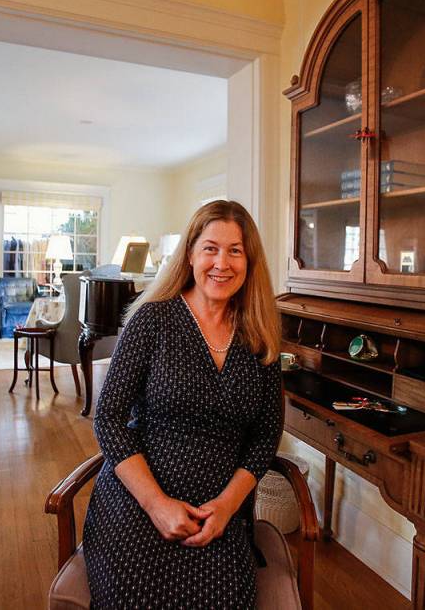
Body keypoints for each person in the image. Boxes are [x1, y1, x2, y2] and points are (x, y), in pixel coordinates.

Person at [82, 200, 283, 609]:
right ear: (190, 253)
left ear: (249, 261)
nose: (221, 263)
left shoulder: (259, 334)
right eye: (210, 248)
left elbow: (265, 434)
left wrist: (228, 507)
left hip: (218, 511)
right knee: (134, 596)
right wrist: (156, 504)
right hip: (139, 500)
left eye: (235, 250)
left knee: (224, 601)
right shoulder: (152, 321)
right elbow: (108, 418)